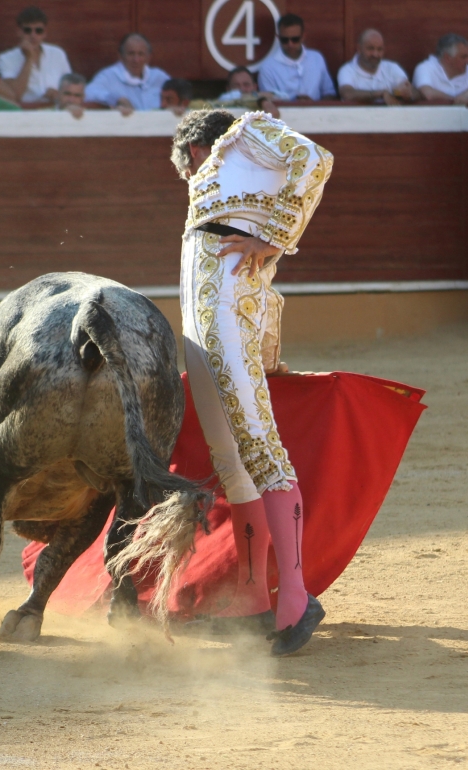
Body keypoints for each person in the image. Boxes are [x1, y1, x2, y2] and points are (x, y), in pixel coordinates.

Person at [172, 109, 333, 655]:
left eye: (187, 162)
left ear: (198, 146)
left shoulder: (248, 132)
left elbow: (317, 159)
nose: (190, 173)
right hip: (204, 324)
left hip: (223, 320)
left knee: (261, 450)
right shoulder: (222, 186)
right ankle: (250, 597)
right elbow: (264, 292)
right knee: (230, 457)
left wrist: (279, 237)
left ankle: (295, 597)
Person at [0, 6, 71, 105]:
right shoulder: (5, 59)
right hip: (24, 113)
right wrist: (29, 59)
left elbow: (71, 89)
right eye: (27, 30)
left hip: (54, 111)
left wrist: (57, 95)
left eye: (38, 31)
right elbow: (14, 95)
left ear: (45, 33)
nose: (33, 35)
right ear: (19, 32)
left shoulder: (57, 54)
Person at [257, 13, 336, 102]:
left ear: (303, 37)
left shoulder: (317, 59)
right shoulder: (268, 67)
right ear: (278, 38)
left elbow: (329, 93)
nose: (290, 44)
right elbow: (268, 102)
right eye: (285, 40)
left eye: (295, 39)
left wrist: (314, 105)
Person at [85, 33, 170, 112]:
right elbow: (88, 93)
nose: (136, 60)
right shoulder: (108, 76)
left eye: (141, 54)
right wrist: (117, 99)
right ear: (120, 56)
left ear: (148, 57)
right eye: (131, 54)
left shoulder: (159, 77)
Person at [338, 29, 417, 104]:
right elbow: (347, 94)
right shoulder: (347, 70)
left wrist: (406, 92)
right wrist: (381, 93)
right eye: (370, 48)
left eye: (379, 49)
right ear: (359, 48)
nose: (375, 54)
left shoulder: (392, 68)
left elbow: (415, 93)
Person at [413, 34, 468, 104]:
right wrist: (458, 99)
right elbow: (428, 94)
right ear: (447, 58)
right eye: (463, 57)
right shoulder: (425, 68)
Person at [216, 66, 280, 117]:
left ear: (255, 87)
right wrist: (261, 99)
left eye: (246, 84)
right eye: (236, 85)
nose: (242, 89)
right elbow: (226, 98)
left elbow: (284, 96)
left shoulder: (258, 94)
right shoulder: (224, 98)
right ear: (228, 89)